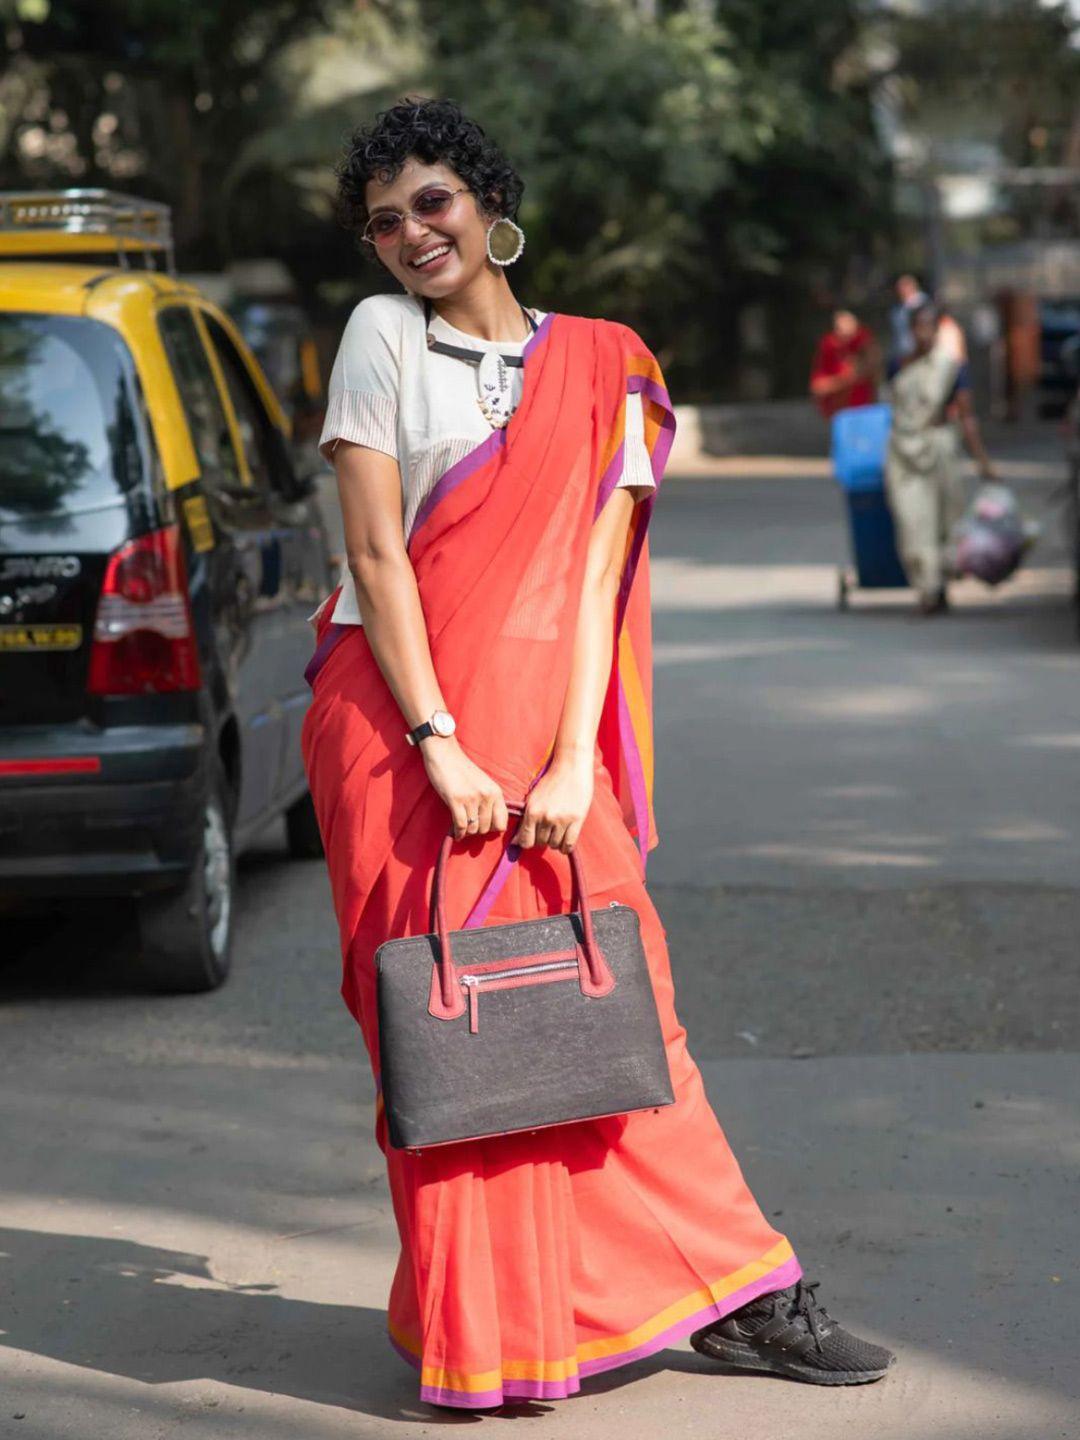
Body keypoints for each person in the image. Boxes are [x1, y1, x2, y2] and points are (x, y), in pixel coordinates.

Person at [302, 95, 895, 1411]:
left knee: (627, 1014)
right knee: (450, 1028)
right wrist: (442, 742)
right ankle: (499, 1325)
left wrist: (573, 757)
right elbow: (377, 555)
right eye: (384, 220)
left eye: (433, 202)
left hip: (544, 741)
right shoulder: (380, 339)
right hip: (398, 739)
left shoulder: (608, 361)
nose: (411, 234)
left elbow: (590, 580)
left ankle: (740, 1292)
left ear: (487, 199)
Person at [885, 301, 995, 615]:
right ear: (910, 330)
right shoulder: (898, 365)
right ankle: (926, 589)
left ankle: (938, 588)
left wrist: (982, 461)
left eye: (930, 326)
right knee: (912, 522)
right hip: (903, 452)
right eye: (919, 326)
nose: (925, 333)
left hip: (939, 449)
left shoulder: (950, 366)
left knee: (944, 522)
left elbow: (966, 416)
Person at [809, 308, 880, 418]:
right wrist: (844, 380)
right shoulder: (828, 347)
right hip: (840, 415)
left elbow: (873, 364)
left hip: (865, 412)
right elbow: (818, 387)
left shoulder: (863, 340)